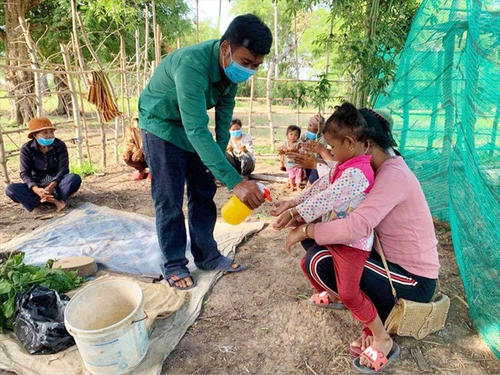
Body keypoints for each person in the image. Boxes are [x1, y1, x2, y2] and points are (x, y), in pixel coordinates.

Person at [272, 108, 439, 372]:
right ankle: (365, 309)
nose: (334, 153)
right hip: (388, 266)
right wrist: (294, 206)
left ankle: (381, 336)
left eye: (336, 146)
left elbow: (357, 226)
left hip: (413, 281)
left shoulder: (393, 174)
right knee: (316, 239)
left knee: (318, 259)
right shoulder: (368, 167)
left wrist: (305, 230)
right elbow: (329, 185)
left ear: (363, 143)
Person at [138, 14, 273, 290]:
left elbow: (222, 123)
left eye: (256, 66)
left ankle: (207, 255)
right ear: (226, 49)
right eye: (246, 62)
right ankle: (174, 263)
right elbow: (198, 130)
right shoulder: (192, 66)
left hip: (190, 127)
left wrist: (222, 163)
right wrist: (235, 181)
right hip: (161, 126)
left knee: (203, 190)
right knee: (170, 198)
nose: (249, 70)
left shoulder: (229, 74)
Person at [5, 117, 82, 213]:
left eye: (51, 132)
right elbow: (25, 173)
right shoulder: (27, 149)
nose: (49, 135)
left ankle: (51, 200)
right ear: (35, 135)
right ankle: (53, 201)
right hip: (37, 185)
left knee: (74, 178)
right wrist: (36, 189)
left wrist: (52, 185)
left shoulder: (59, 145)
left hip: (57, 184)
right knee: (11, 189)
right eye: (45, 133)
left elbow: (64, 169)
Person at [122, 116, 149, 180]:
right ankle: (142, 170)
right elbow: (128, 142)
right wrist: (128, 151)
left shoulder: (151, 127)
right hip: (139, 155)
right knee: (128, 158)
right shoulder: (131, 128)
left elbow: (152, 143)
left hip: (150, 153)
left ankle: (153, 171)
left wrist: (141, 150)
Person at [279, 125, 302, 191]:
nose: (293, 137)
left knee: (298, 176)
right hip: (289, 164)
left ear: (298, 137)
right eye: (291, 134)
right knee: (291, 176)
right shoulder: (285, 144)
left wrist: (290, 149)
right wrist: (281, 149)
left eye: (295, 135)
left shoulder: (298, 144)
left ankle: (298, 186)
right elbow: (280, 150)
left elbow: (297, 149)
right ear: (287, 135)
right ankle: (292, 186)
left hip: (298, 164)